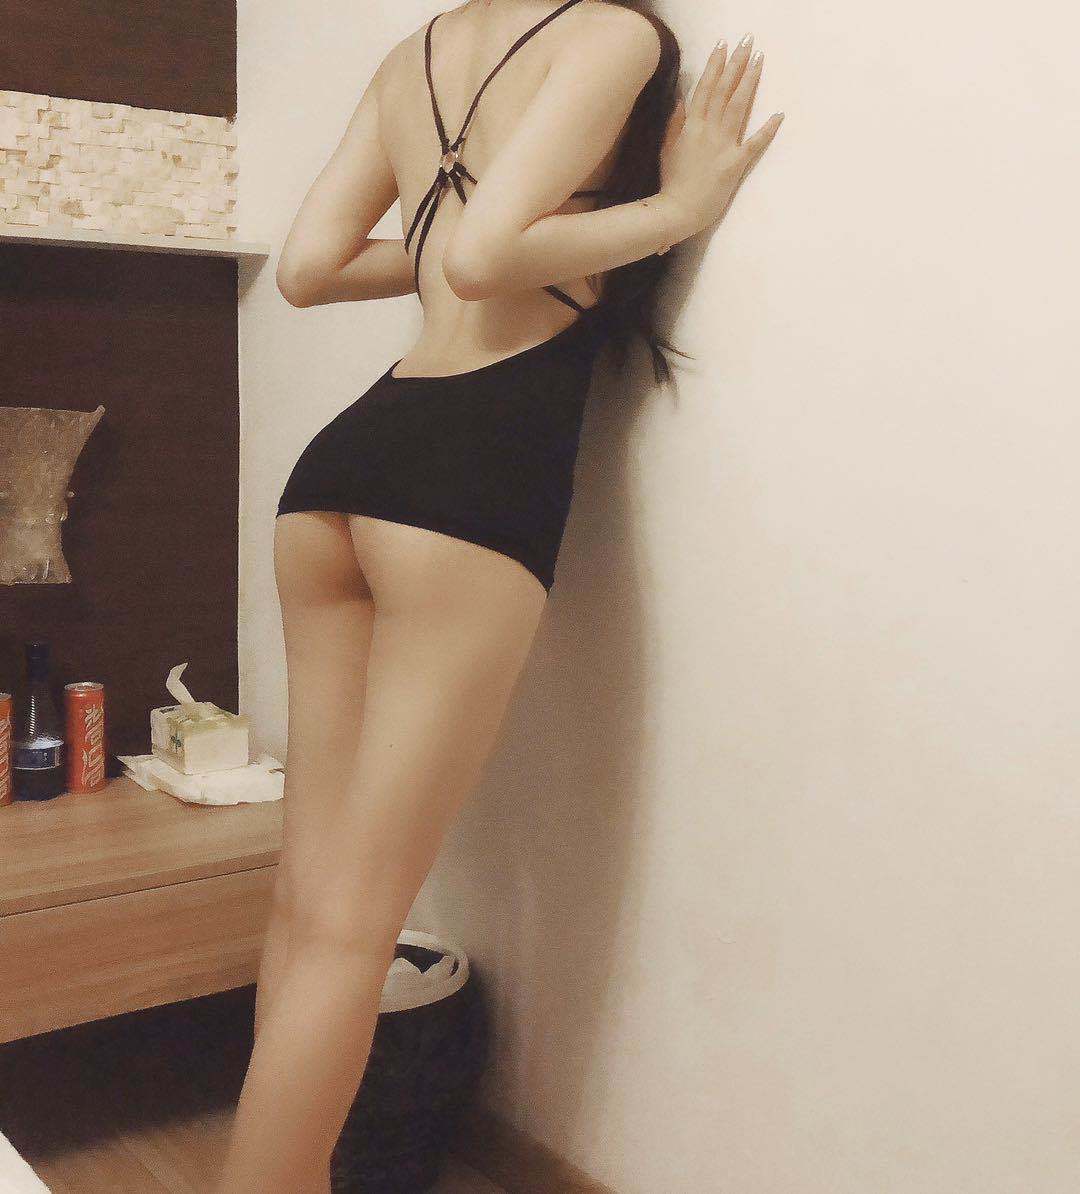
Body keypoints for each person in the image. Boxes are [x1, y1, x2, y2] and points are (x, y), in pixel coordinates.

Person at [216, 3, 782, 1190]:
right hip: (467, 476)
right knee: (356, 925)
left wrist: (461, 250)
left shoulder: (414, 51)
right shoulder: (612, 35)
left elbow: (309, 268)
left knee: (309, 904)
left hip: (343, 467)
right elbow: (485, 256)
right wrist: (677, 210)